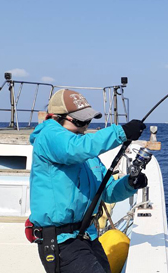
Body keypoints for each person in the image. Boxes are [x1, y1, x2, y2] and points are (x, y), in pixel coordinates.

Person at [28, 89, 147, 273]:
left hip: (86, 236)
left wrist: (129, 184)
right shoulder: (49, 135)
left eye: (88, 120)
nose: (85, 126)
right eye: (80, 121)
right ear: (57, 118)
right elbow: (73, 149)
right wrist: (120, 133)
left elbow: (107, 193)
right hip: (62, 242)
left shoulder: (87, 154)